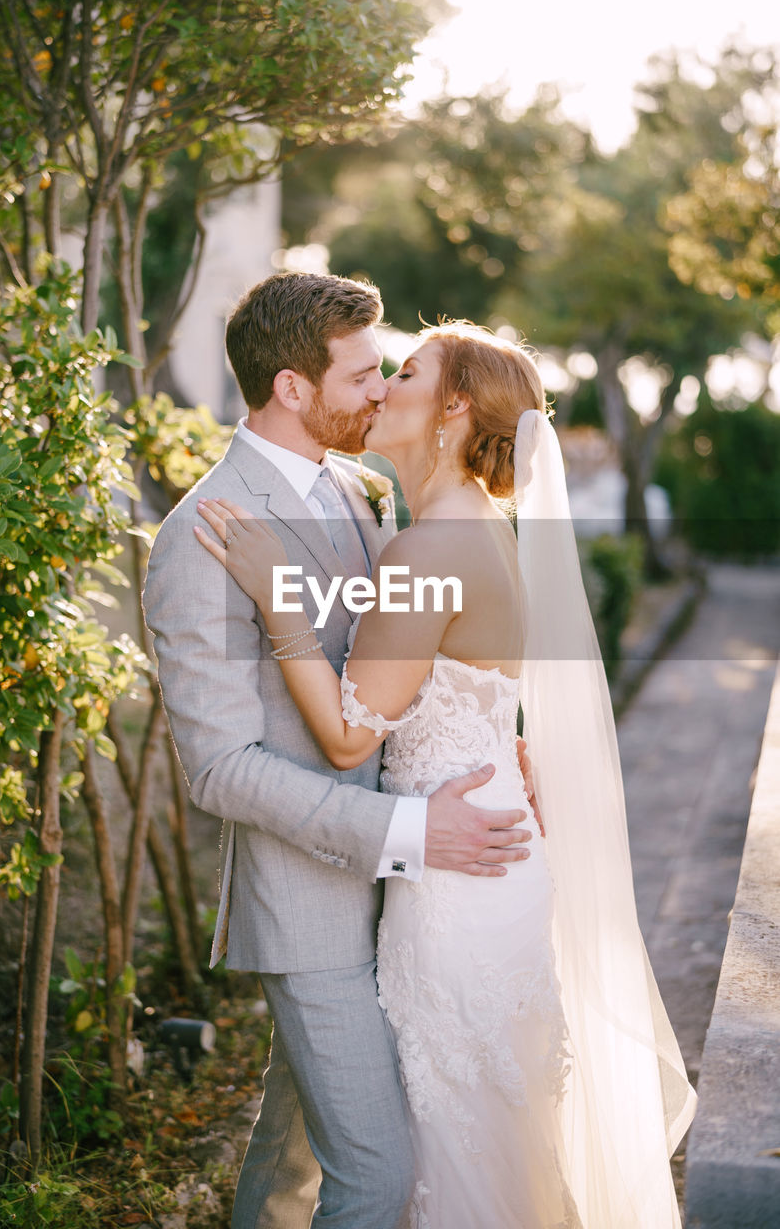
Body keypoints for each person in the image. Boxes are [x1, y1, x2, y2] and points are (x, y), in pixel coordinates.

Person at [195, 319, 698, 1227]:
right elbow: (472, 689)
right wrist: (504, 743)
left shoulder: (429, 549)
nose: (383, 384)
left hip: (457, 875)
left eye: (407, 370)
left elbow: (352, 738)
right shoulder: (469, 528)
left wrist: (279, 598)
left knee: (448, 1138)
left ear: (453, 407)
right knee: (483, 1133)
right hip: (485, 843)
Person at [142, 274, 540, 1229]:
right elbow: (220, 768)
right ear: (291, 387)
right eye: (364, 374)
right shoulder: (199, 538)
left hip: (410, 904)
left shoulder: (365, 493)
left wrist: (496, 735)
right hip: (313, 903)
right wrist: (408, 828)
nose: (377, 391)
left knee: (290, 1171)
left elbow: (426, 651)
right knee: (375, 1176)